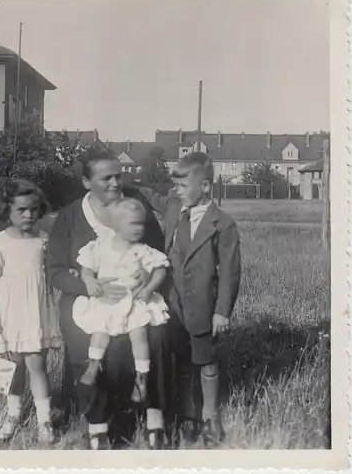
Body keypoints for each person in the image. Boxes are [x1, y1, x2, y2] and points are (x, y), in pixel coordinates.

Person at [47, 150, 172, 450]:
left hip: (137, 298)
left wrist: (145, 275)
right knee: (84, 339)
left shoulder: (135, 205)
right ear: (87, 182)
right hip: (90, 300)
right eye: (107, 178)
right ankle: (98, 425)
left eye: (119, 175)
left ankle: (154, 416)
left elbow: (157, 254)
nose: (116, 183)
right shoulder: (70, 216)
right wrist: (87, 285)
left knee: (157, 336)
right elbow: (55, 271)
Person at [0, 179, 62, 445]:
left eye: (34, 209)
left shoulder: (43, 240)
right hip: (10, 313)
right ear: (7, 211)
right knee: (14, 368)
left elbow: (51, 275)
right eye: (21, 210)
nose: (28, 215)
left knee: (37, 365)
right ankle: (13, 414)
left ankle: (44, 419)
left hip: (36, 312)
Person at [164, 152, 241, 447]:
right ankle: (187, 411)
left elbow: (230, 272)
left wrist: (222, 311)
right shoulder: (175, 212)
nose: (177, 191)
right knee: (182, 358)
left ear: (206, 187)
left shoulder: (223, 224)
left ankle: (209, 413)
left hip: (204, 307)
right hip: (173, 304)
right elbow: (150, 196)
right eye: (176, 186)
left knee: (206, 361)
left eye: (183, 186)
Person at [73, 198, 170, 403]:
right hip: (108, 301)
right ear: (115, 225)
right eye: (132, 223)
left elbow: (160, 269)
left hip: (134, 301)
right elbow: (87, 268)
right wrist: (90, 281)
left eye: (141, 224)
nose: (138, 228)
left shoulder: (142, 250)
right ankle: (93, 364)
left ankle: (141, 376)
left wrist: (150, 288)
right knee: (100, 330)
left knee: (139, 334)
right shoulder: (100, 247)